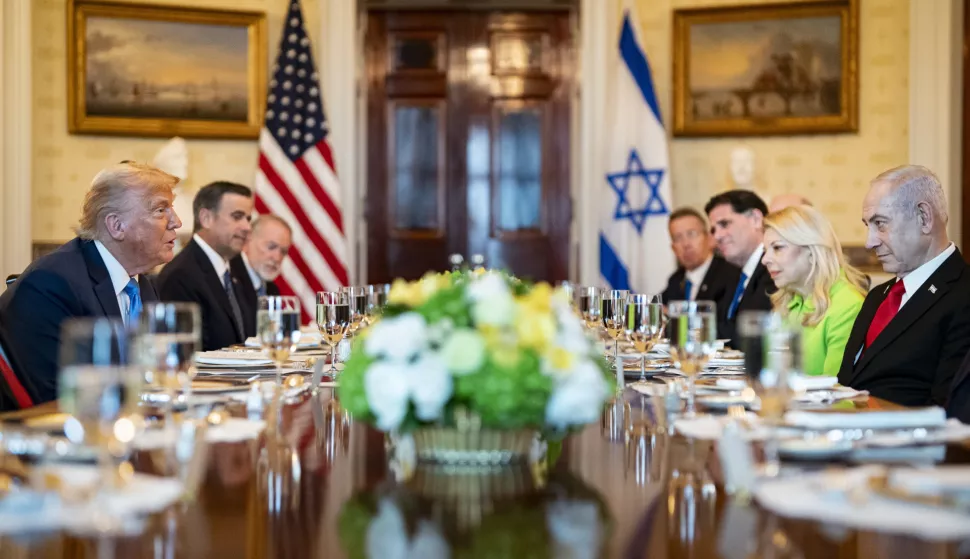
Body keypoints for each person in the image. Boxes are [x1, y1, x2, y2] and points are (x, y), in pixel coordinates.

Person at [0, 162, 181, 404]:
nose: (176, 222)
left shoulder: (141, 283)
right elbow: (60, 398)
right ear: (116, 226)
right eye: (161, 210)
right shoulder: (52, 284)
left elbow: (155, 376)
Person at [837, 165, 970, 407]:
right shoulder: (878, 296)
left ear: (924, 217)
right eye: (868, 226)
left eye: (881, 224)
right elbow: (848, 382)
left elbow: (948, 407)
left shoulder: (963, 294)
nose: (869, 242)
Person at [761, 206, 866, 376]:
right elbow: (770, 372)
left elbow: (835, 390)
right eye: (765, 251)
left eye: (778, 248)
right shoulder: (788, 301)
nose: (765, 260)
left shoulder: (848, 305)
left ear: (812, 251)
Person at [157, 181, 253, 351]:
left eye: (248, 218)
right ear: (206, 218)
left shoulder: (236, 269)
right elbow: (186, 353)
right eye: (237, 216)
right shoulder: (180, 276)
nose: (247, 227)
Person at [704, 190, 776, 346]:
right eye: (713, 229)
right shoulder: (731, 272)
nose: (717, 236)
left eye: (724, 224)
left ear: (756, 219)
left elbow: (750, 332)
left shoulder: (774, 269)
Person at [660, 208, 740, 304]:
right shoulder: (675, 280)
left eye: (691, 234)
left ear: (710, 238)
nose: (686, 244)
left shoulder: (730, 275)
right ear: (673, 248)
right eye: (678, 238)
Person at [231, 214, 292, 336]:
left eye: (283, 252)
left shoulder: (271, 289)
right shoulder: (229, 279)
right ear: (247, 240)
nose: (277, 257)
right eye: (271, 247)